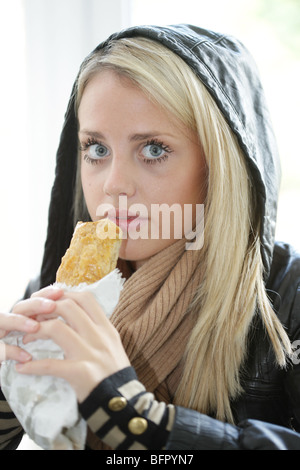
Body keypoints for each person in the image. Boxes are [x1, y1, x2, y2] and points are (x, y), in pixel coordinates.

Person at [0, 23, 300, 450]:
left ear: (218, 166)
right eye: (97, 149)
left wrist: (141, 419)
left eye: (153, 149)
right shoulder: (49, 302)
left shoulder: (289, 301)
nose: (113, 184)